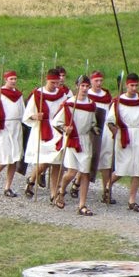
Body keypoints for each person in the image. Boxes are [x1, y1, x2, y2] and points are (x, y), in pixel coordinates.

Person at [52, 75, 97, 215]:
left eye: (86, 86)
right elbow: (57, 122)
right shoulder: (69, 104)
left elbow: (93, 123)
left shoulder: (91, 104)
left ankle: (82, 205)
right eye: (82, 86)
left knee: (85, 173)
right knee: (71, 172)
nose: (84, 88)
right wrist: (66, 129)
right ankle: (61, 189)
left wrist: (95, 129)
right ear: (77, 86)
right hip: (72, 140)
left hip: (85, 141)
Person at [22, 68, 67, 200]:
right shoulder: (38, 94)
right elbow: (27, 115)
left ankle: (53, 193)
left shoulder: (62, 95)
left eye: (57, 83)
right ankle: (31, 179)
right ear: (48, 80)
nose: (55, 86)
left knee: (57, 163)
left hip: (57, 131)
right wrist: (36, 116)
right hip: (42, 131)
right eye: (53, 83)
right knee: (45, 162)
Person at [105, 73, 139, 212]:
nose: (134, 88)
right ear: (127, 85)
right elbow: (110, 120)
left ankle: (132, 200)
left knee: (137, 169)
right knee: (123, 167)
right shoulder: (118, 102)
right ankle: (108, 186)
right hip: (124, 135)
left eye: (136, 85)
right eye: (131, 85)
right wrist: (113, 128)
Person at [74, 70, 113, 200]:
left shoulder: (106, 95)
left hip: (105, 130)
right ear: (91, 82)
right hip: (91, 129)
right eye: (96, 81)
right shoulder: (87, 96)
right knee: (89, 158)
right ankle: (76, 183)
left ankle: (106, 191)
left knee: (106, 160)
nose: (99, 83)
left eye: (101, 81)